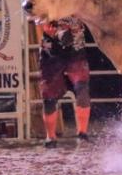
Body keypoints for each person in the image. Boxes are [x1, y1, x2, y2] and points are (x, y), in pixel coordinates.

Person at [39, 17, 92, 148]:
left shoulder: (77, 0)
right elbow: (35, 15)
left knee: (82, 88)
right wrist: (46, 29)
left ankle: (82, 133)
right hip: (51, 51)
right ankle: (50, 137)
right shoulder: (44, 0)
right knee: (49, 96)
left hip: (76, 49)